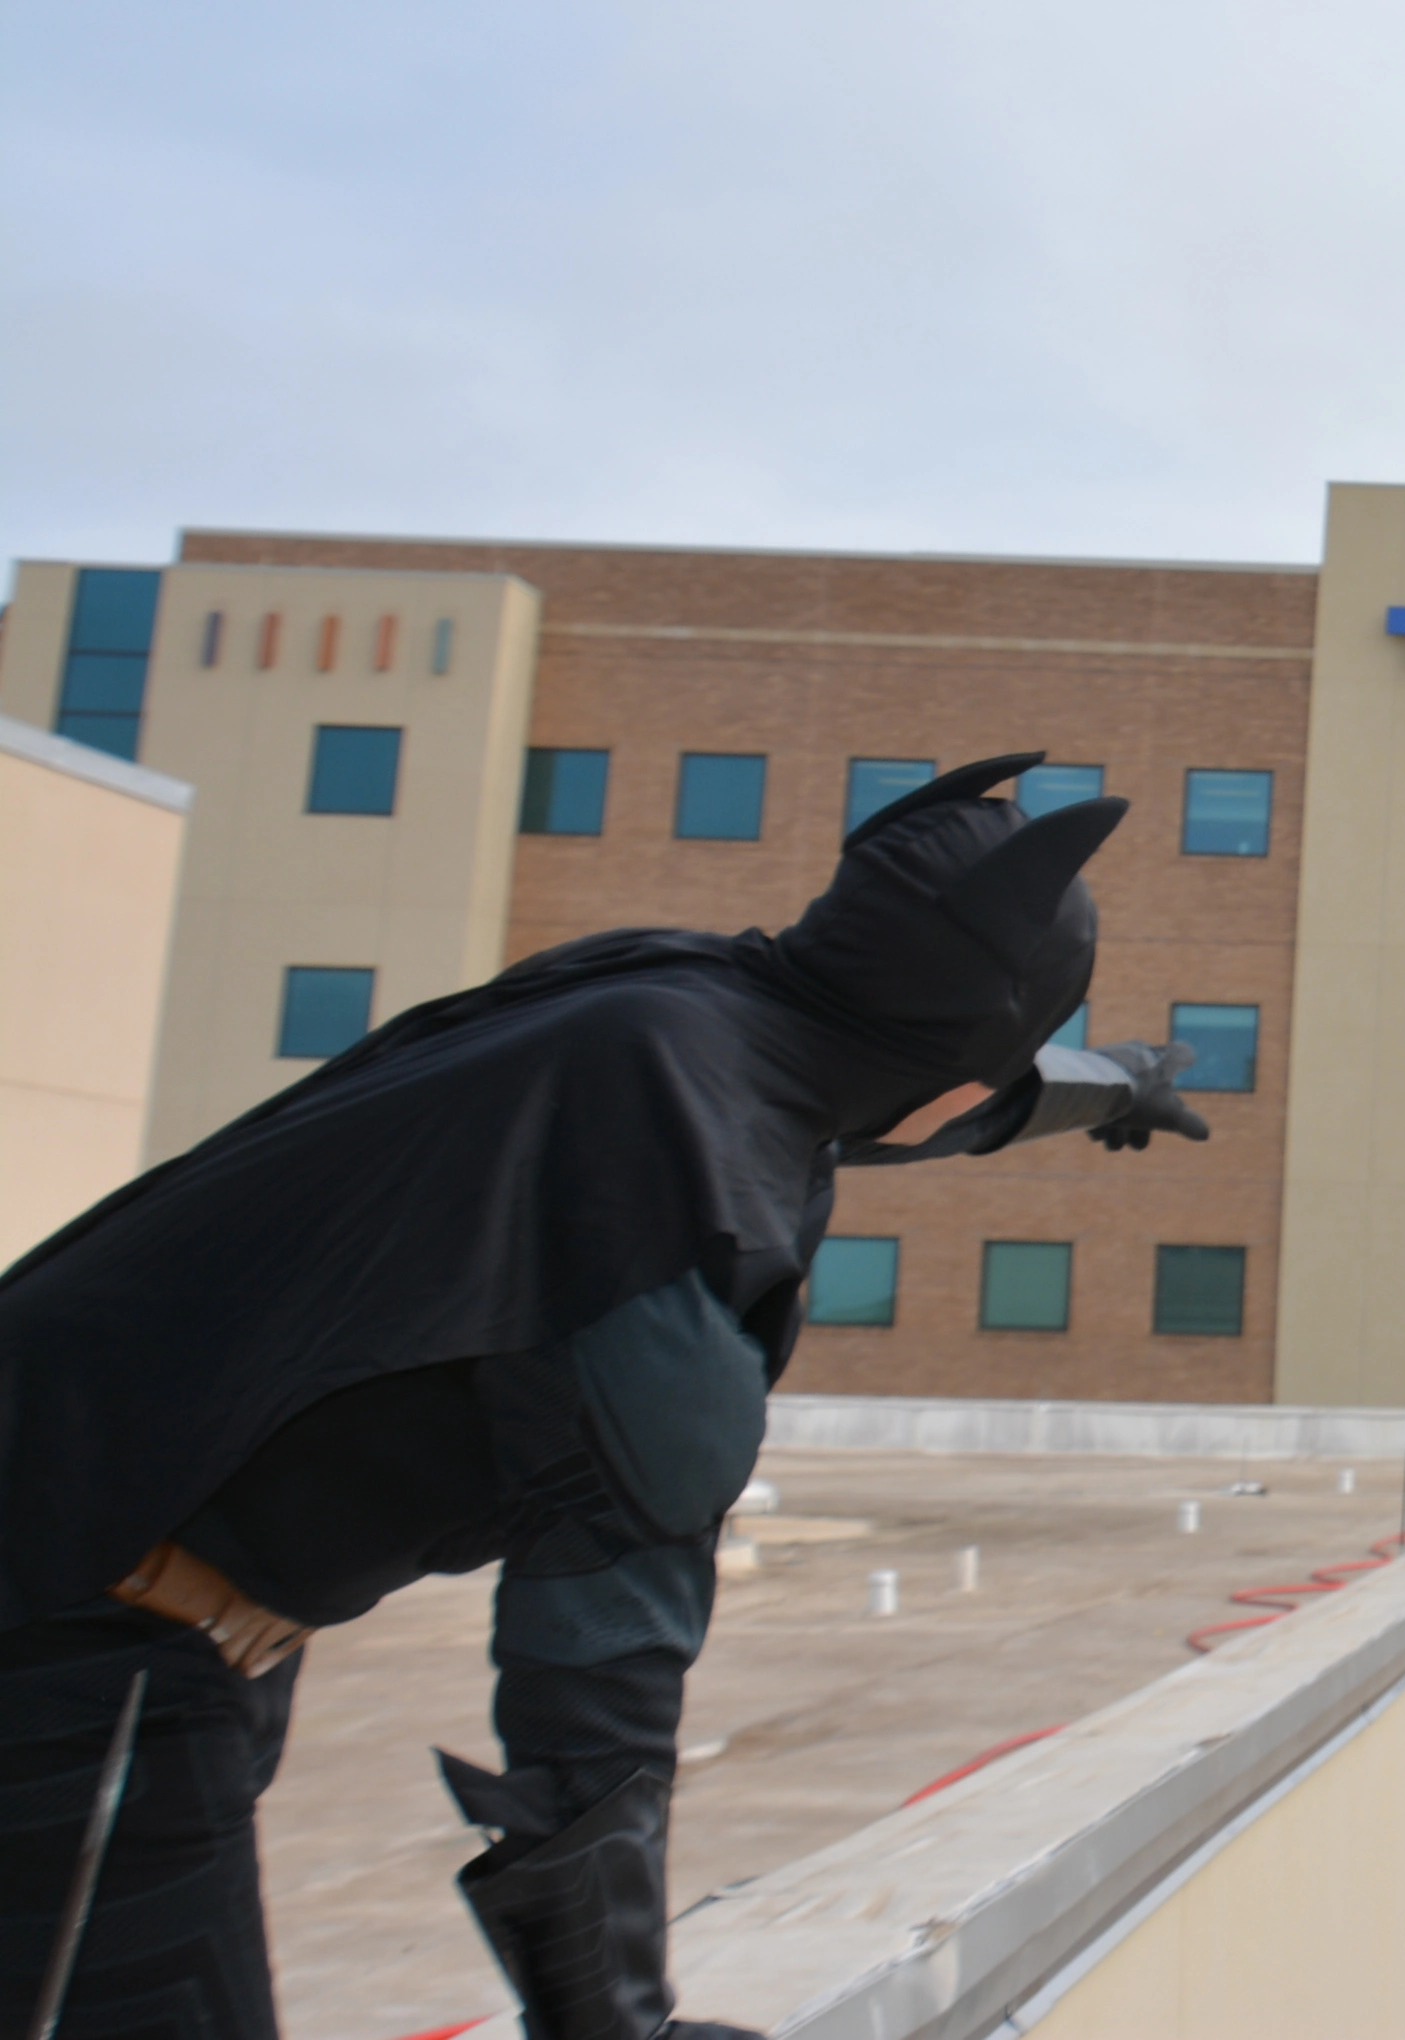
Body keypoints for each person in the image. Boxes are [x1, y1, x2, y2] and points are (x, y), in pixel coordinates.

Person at [0, 751, 1213, 2040]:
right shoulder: (684, 1193)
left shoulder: (663, 997)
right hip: (72, 1630)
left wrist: (1111, 1084)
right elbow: (600, 1669)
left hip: (108, 1578)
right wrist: (613, 2019)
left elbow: (900, 1084)